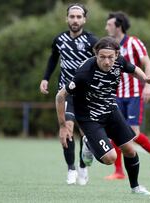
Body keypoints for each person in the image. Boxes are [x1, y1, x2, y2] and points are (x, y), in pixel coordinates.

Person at [55, 36, 150, 195]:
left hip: (110, 110)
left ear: (117, 55)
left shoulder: (119, 62)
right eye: (102, 57)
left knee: (130, 150)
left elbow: (133, 69)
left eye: (110, 57)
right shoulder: (84, 72)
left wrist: (145, 78)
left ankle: (135, 187)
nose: (106, 62)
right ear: (95, 54)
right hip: (89, 117)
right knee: (110, 158)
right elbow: (60, 96)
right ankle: (88, 143)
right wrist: (63, 125)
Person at [39, 3, 98, 185]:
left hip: (87, 94)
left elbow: (102, 63)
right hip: (65, 92)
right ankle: (71, 168)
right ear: (67, 18)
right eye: (72, 16)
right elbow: (53, 58)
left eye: (78, 17)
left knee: (86, 133)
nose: (75, 20)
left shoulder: (92, 41)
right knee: (67, 128)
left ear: (84, 20)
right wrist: (45, 78)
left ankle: (82, 166)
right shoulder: (59, 40)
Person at [103, 11, 150, 180]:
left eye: (109, 24)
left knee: (133, 133)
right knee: (114, 131)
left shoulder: (134, 42)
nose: (106, 27)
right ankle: (118, 171)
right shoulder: (109, 45)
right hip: (116, 95)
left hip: (134, 94)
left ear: (118, 26)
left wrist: (148, 87)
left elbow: (147, 63)